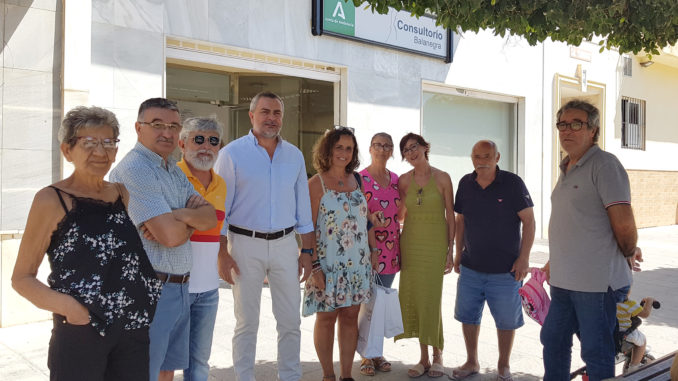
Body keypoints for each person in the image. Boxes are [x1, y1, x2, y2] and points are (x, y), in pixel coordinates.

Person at [11, 106, 163, 380]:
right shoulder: (52, 199)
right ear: (67, 150)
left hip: (132, 329)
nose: (101, 152)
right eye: (89, 143)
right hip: (82, 331)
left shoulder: (120, 193)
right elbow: (22, 278)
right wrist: (73, 310)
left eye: (108, 142)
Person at [110, 98, 217, 381]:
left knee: (166, 370)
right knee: (144, 370)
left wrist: (175, 216)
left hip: (180, 285)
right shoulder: (135, 170)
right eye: (157, 125)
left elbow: (209, 218)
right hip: (151, 288)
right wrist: (186, 219)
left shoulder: (171, 168)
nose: (167, 133)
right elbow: (170, 237)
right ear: (138, 127)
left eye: (173, 126)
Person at [214, 91, 315, 381]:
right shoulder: (231, 154)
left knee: (290, 322)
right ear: (252, 115)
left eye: (277, 113)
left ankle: (290, 376)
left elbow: (303, 210)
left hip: (285, 245)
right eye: (265, 112)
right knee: (246, 322)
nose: (271, 118)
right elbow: (221, 208)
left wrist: (306, 253)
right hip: (244, 245)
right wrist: (222, 253)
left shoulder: (294, 155)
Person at [541, 100, 643, 381]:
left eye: (577, 124)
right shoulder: (567, 167)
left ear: (593, 130)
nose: (567, 130)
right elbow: (576, 222)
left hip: (597, 286)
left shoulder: (605, 165)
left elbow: (623, 222)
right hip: (563, 283)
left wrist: (629, 251)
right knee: (553, 341)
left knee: (597, 352)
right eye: (562, 124)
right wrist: (553, 261)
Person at [451, 140, 535, 381]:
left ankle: (503, 366)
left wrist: (524, 258)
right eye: (476, 156)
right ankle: (471, 361)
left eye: (487, 156)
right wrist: (458, 253)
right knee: (467, 316)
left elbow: (529, 221)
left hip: (506, 269)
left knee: (506, 320)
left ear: (497, 157)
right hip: (471, 267)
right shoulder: (465, 183)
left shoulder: (512, 183)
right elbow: (460, 220)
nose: (481, 161)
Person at [302, 127, 379, 381]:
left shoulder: (358, 180)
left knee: (349, 317)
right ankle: (328, 375)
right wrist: (314, 267)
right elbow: (308, 228)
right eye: (339, 148)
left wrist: (374, 250)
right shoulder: (316, 184)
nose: (344, 153)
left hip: (357, 264)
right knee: (326, 319)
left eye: (349, 148)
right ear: (328, 150)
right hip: (327, 265)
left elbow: (364, 218)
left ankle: (346, 375)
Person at [395, 133, 455, 378]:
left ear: (425, 147)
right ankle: (423, 357)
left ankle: (438, 354)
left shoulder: (442, 178)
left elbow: (450, 215)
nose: (411, 153)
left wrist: (450, 249)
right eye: (406, 150)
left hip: (434, 245)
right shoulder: (403, 181)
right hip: (411, 243)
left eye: (414, 147)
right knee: (414, 296)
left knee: (432, 298)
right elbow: (400, 216)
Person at [176, 117, 227, 381]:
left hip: (208, 289)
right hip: (175, 288)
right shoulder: (172, 177)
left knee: (199, 362)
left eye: (212, 140)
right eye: (198, 139)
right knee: (163, 361)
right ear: (182, 144)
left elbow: (216, 233)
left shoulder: (222, 185)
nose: (205, 146)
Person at [357, 132, 401, 376]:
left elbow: (399, 214)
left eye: (387, 145)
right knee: (366, 305)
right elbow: (355, 215)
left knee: (381, 304)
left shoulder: (395, 180)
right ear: (370, 148)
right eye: (378, 145)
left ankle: (377, 351)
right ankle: (365, 354)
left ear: (392, 150)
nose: (382, 149)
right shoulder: (360, 179)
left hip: (391, 251)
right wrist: (370, 220)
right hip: (367, 251)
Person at [616, 290, 655, 373]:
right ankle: (634, 366)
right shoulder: (629, 303)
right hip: (624, 333)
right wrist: (649, 301)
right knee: (642, 340)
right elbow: (645, 314)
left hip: (609, 332)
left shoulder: (606, 301)